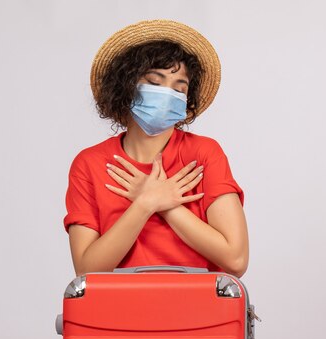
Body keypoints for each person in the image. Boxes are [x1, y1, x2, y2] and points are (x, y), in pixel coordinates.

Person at [63, 19, 248, 278]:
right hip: (116, 313)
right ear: (126, 86)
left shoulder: (204, 154)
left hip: (200, 312)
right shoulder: (90, 163)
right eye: (154, 81)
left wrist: (166, 204)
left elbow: (236, 260)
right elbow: (87, 270)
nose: (167, 93)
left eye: (179, 87)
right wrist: (146, 203)